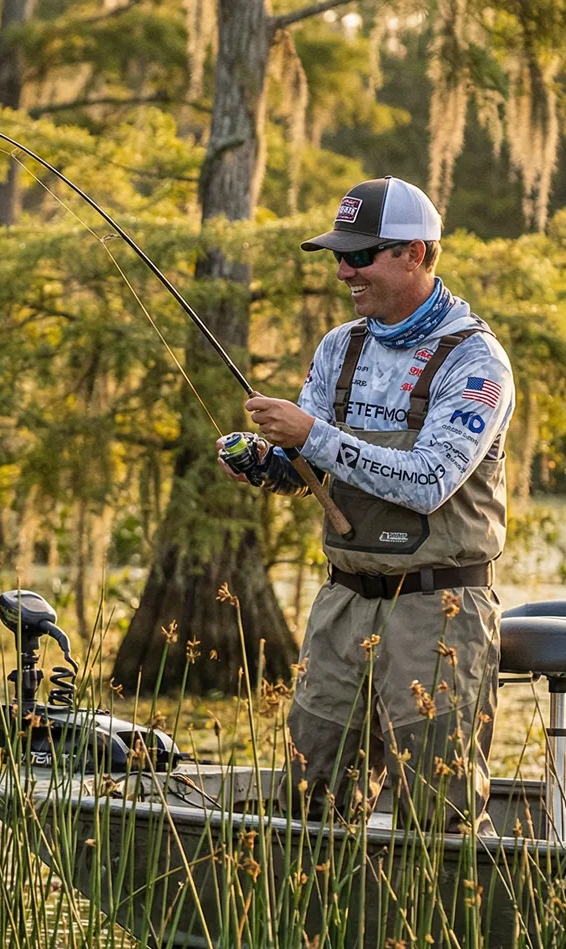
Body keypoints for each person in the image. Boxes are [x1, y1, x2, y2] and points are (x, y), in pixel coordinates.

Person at [217, 176, 513, 834]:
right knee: (310, 795)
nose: (344, 270)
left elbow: (430, 481)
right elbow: (311, 471)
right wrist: (267, 463)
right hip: (343, 606)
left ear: (415, 253)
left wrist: (312, 434)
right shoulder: (339, 347)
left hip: (439, 611)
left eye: (361, 255)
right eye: (337, 256)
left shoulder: (475, 360)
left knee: (439, 816)